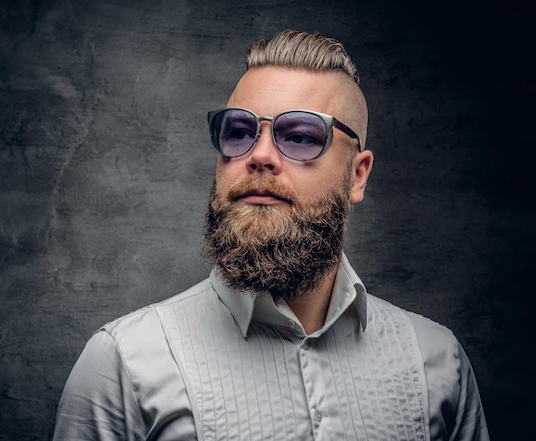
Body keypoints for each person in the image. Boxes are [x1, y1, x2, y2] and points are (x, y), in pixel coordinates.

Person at [52, 29, 489, 440]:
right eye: (239, 132)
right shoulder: (123, 364)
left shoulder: (437, 365)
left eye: (299, 136)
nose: (259, 155)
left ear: (357, 176)